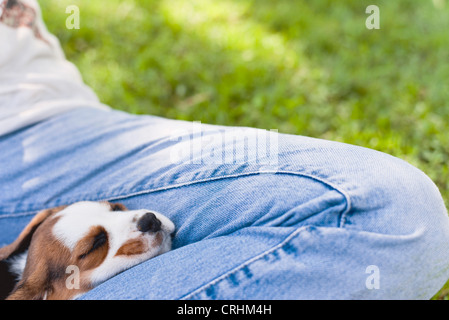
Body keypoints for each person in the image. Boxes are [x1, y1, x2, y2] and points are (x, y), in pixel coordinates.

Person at [1, 0, 448, 300]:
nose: (137, 218)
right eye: (97, 241)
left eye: (115, 211)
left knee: (389, 210)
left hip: (57, 112)